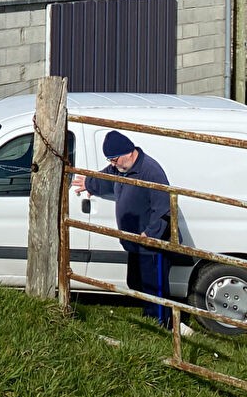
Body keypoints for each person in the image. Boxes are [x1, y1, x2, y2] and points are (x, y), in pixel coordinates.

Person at [71, 130, 182, 330]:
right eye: (111, 161)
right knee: (136, 283)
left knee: (154, 288)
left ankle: (160, 326)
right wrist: (89, 182)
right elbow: (106, 177)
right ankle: (154, 320)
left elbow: (164, 207)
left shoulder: (151, 171)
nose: (112, 164)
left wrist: (151, 234)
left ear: (128, 153)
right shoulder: (120, 169)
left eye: (114, 160)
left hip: (151, 244)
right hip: (135, 241)